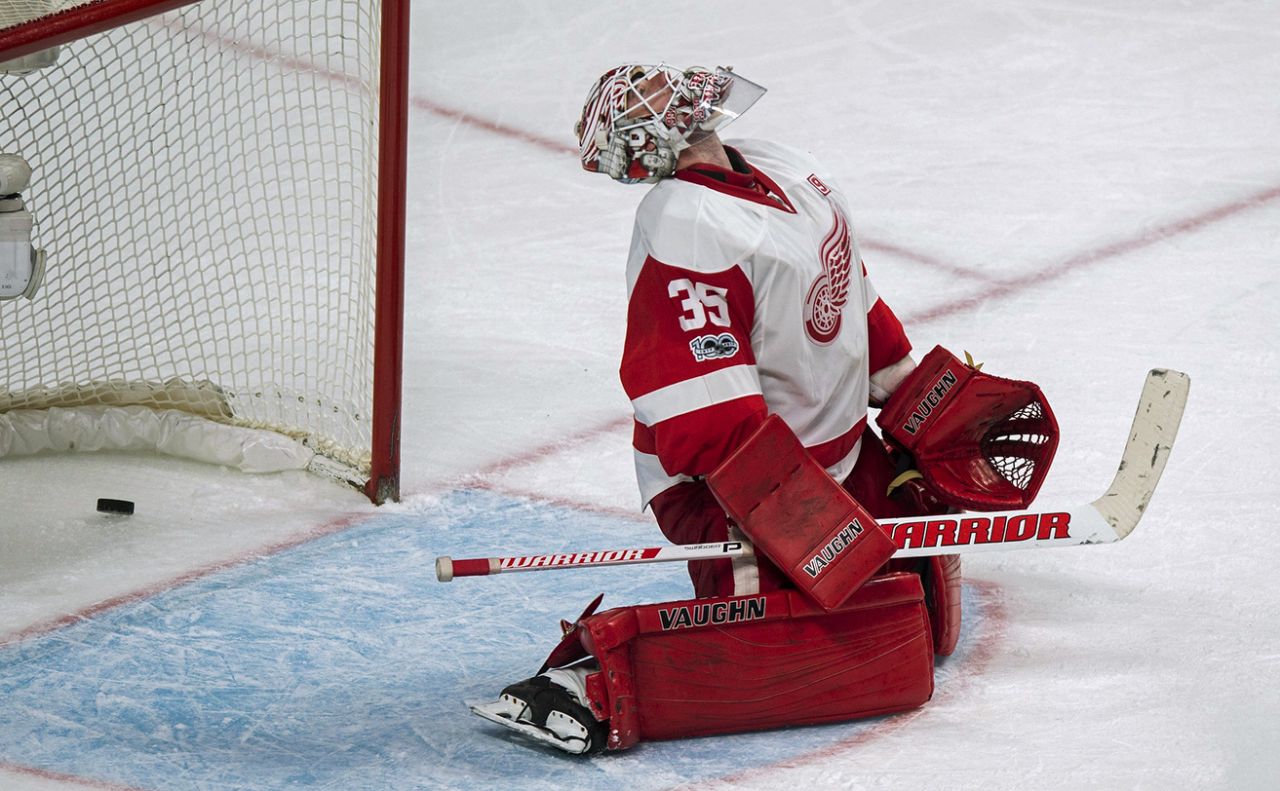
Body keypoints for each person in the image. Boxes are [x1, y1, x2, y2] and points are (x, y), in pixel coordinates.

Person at [473, 63, 969, 755]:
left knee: (925, 605)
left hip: (836, 448)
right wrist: (800, 519)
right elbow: (702, 408)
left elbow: (846, 290)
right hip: (732, 487)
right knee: (801, 650)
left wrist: (912, 393)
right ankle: (589, 680)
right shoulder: (683, 221)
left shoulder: (788, 169)